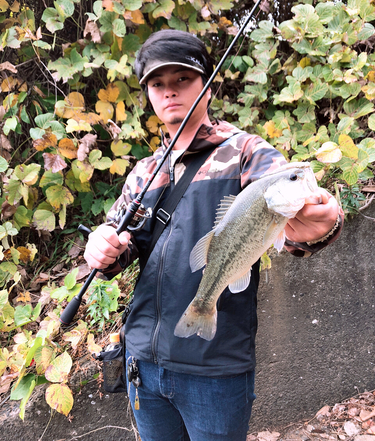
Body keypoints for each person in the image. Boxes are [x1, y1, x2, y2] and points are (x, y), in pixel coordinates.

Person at [84, 30, 343, 441]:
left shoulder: (247, 153)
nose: (169, 92)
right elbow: (120, 248)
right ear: (148, 94)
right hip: (143, 365)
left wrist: (321, 223)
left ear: (206, 83)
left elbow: (291, 224)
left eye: (181, 79)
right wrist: (100, 248)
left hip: (215, 371)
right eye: (157, 83)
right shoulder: (143, 173)